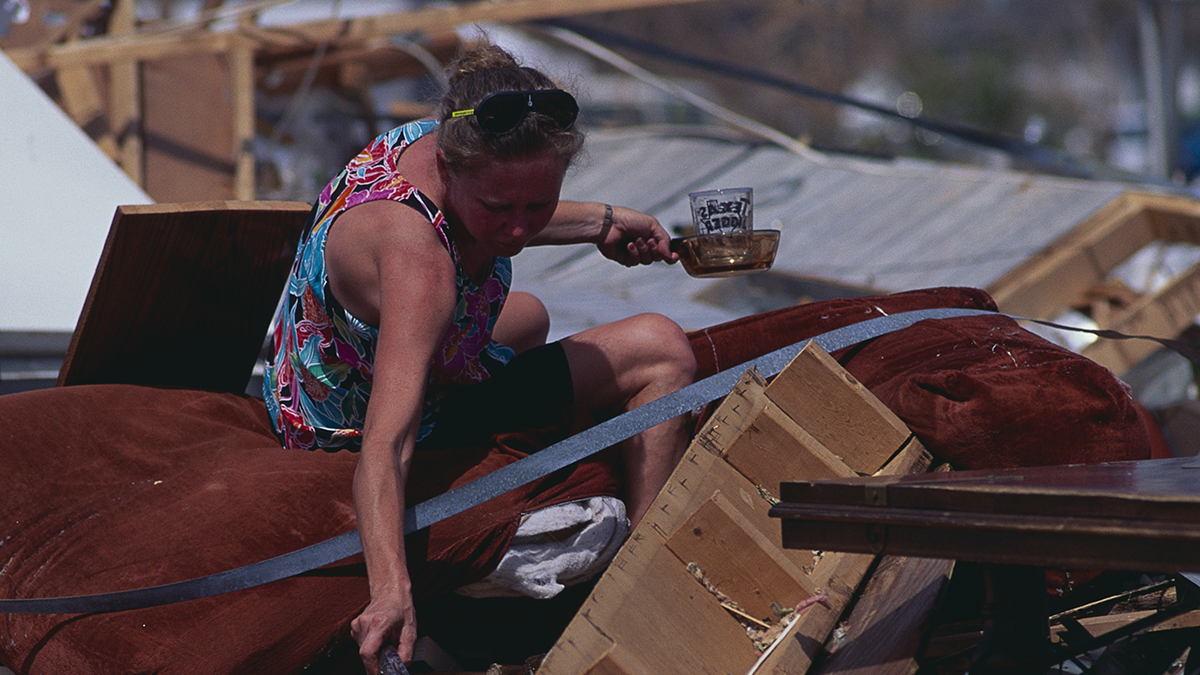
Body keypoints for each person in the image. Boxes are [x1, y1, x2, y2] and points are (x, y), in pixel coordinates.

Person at [262, 44, 697, 672]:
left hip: (314, 378)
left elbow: (497, 211)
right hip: (350, 432)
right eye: (502, 209)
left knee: (533, 315)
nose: (520, 230)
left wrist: (603, 220)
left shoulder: (429, 141)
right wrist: (391, 590)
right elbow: (387, 448)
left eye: (538, 205)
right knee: (661, 347)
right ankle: (650, 591)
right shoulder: (420, 269)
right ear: (451, 165)